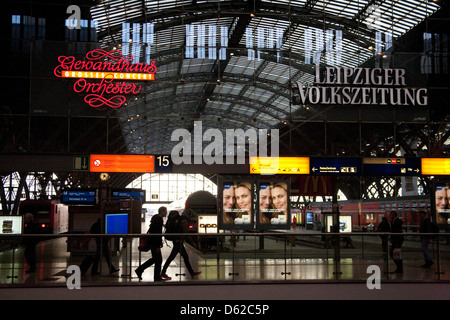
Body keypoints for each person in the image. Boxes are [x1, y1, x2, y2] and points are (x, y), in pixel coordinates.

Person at [160, 210, 201, 280]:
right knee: (174, 257)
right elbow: (186, 233)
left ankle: (191, 272)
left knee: (183, 257)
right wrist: (193, 243)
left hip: (176, 241)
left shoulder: (178, 219)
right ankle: (163, 272)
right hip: (178, 241)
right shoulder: (183, 220)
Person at [135, 206, 167, 281]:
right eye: (165, 211)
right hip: (154, 243)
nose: (166, 213)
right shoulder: (159, 220)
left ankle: (141, 270)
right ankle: (154, 276)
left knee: (156, 259)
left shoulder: (155, 218)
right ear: (162, 212)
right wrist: (158, 245)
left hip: (153, 241)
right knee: (158, 259)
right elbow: (157, 233)